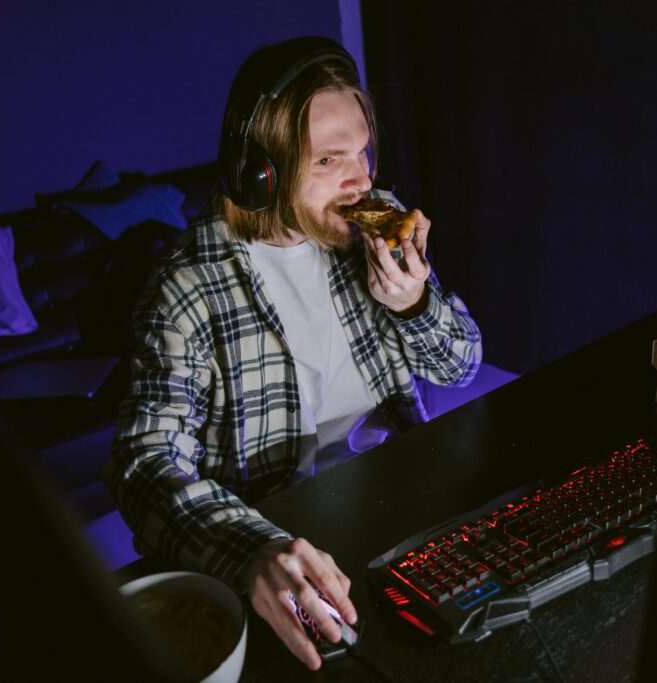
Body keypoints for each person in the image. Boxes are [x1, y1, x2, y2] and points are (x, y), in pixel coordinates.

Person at [103, 36, 482, 670]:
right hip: (282, 545)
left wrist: (414, 306)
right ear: (263, 173)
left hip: (401, 512)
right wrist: (251, 551)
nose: (362, 181)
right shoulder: (188, 290)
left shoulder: (376, 222)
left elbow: (460, 366)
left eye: (362, 152)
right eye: (329, 160)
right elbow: (144, 463)